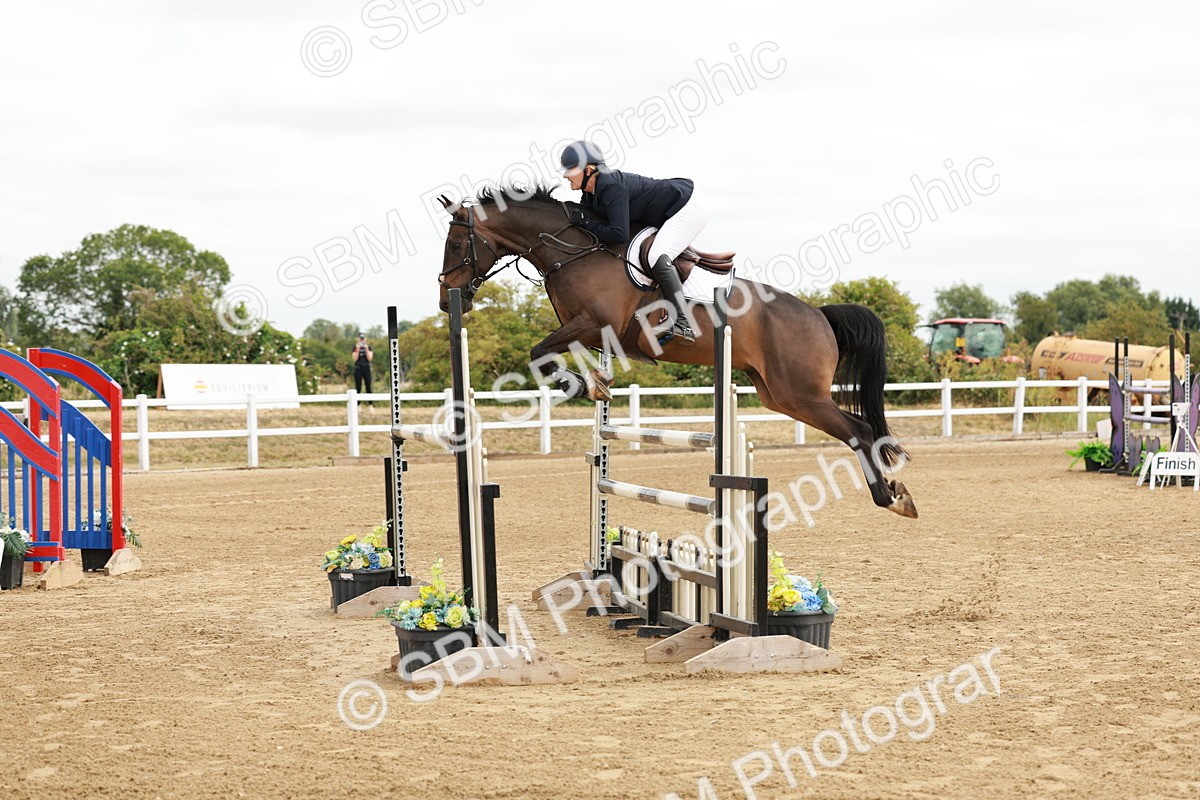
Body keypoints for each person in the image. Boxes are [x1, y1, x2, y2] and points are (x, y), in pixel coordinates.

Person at [561, 140, 706, 343]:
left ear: (588, 170)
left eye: (569, 169)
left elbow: (619, 234)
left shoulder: (611, 186)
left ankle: (682, 321)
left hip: (687, 207)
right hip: (667, 210)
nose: (565, 175)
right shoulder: (590, 194)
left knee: (656, 255)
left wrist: (586, 223)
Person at [351, 332, 373, 399]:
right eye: (360, 339)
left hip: (366, 367)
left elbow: (370, 358)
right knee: (358, 387)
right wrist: (357, 349)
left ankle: (370, 404)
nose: (362, 340)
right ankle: (358, 404)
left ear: (365, 339)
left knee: (368, 386)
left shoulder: (369, 347)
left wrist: (366, 349)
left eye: (363, 339)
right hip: (358, 368)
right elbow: (354, 359)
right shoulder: (355, 348)